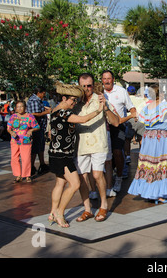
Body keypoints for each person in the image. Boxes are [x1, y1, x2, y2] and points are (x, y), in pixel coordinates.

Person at [48, 83, 106, 228]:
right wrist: (99, 110)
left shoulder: (54, 111)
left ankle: (52, 212)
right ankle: (59, 213)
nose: (74, 103)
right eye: (72, 100)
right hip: (63, 156)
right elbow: (83, 119)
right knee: (75, 184)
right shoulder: (63, 113)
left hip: (55, 153)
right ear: (63, 98)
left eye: (75, 100)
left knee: (60, 183)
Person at [128, 84, 167, 203]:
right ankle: (158, 194)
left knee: (148, 164)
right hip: (160, 138)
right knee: (159, 164)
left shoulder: (147, 107)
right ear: (161, 94)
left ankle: (148, 192)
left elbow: (140, 119)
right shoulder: (166, 106)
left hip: (148, 137)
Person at [75, 73, 120, 223]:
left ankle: (103, 205)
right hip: (81, 145)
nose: (87, 89)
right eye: (84, 86)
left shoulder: (101, 99)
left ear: (93, 85)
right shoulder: (76, 103)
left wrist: (105, 108)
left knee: (97, 174)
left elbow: (116, 122)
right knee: (82, 177)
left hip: (99, 143)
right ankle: (87, 209)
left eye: (89, 86)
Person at [102, 70, 136, 193]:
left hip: (119, 126)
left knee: (117, 152)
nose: (106, 81)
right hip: (103, 127)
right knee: (106, 156)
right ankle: (106, 181)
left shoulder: (121, 91)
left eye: (109, 78)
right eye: (104, 78)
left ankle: (119, 177)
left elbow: (131, 106)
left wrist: (134, 114)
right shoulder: (99, 92)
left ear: (113, 79)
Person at [7, 101, 40, 183]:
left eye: (21, 106)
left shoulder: (30, 117)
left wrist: (31, 130)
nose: (19, 108)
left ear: (25, 107)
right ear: (15, 108)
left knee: (26, 158)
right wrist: (11, 132)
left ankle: (27, 175)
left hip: (26, 140)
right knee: (14, 158)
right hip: (15, 140)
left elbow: (37, 126)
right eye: (18, 107)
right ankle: (18, 175)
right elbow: (8, 128)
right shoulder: (13, 117)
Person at [27, 86, 51, 176]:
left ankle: (42, 164)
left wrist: (44, 109)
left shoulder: (37, 100)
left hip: (40, 127)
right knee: (35, 147)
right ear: (39, 93)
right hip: (35, 127)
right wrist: (46, 112)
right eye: (43, 94)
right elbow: (34, 113)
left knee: (41, 146)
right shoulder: (34, 100)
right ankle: (31, 167)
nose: (43, 96)